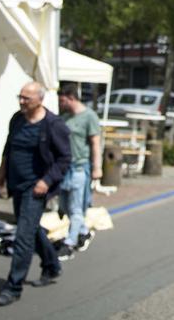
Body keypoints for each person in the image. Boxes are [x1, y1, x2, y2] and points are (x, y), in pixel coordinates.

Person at [0, 82, 71, 307]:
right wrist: (2, 173)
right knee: (31, 228)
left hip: (35, 188)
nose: (21, 101)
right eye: (20, 97)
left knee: (23, 236)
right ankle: (52, 265)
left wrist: (46, 181)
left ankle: (13, 287)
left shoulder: (53, 125)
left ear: (40, 99)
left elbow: (65, 159)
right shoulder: (17, 119)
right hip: (17, 184)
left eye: (26, 98)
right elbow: (9, 147)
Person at [57, 84, 102, 261]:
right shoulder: (65, 116)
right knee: (65, 207)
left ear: (71, 98)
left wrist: (97, 168)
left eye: (62, 100)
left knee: (76, 208)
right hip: (64, 168)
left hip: (79, 168)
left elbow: (95, 143)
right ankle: (83, 232)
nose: (60, 104)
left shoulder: (89, 116)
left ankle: (69, 243)